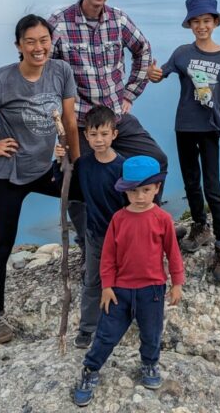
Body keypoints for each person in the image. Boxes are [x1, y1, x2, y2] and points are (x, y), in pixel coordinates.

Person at [0, 14, 81, 345]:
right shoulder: (3, 80)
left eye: (44, 40)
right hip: (7, 176)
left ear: (52, 41)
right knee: (3, 246)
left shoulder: (60, 71)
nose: (39, 47)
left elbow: (70, 121)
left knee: (91, 192)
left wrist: (76, 164)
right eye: (31, 41)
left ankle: (100, 256)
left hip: (44, 170)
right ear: (19, 46)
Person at [147, 0, 220, 283]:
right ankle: (200, 226)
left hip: (209, 127)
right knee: (191, 181)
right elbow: (161, 74)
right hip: (185, 126)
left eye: (206, 20)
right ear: (189, 24)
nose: (201, 26)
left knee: (212, 186)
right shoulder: (182, 53)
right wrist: (153, 73)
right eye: (196, 21)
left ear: (215, 22)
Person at [49, 0, 168, 204]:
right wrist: (57, 121)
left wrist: (129, 94)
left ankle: (147, 222)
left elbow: (143, 50)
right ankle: (88, 239)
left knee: (155, 160)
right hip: (80, 122)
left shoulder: (119, 20)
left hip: (115, 116)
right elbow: (43, 73)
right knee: (79, 178)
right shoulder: (59, 23)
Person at [73, 156, 184, 407]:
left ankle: (149, 364)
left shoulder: (163, 219)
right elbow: (109, 257)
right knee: (106, 334)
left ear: (157, 188)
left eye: (146, 190)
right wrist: (107, 286)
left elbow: (173, 253)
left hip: (152, 289)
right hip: (120, 290)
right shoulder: (119, 219)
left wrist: (177, 282)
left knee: (151, 332)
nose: (140, 196)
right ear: (125, 190)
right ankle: (90, 370)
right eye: (134, 190)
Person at [73, 105, 127, 350]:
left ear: (114, 134)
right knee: (92, 281)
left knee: (125, 280)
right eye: (93, 134)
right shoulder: (83, 164)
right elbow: (68, 187)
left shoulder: (123, 167)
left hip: (122, 237)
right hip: (95, 236)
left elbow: (132, 204)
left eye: (104, 134)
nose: (99, 139)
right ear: (86, 136)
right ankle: (87, 328)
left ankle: (123, 320)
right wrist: (59, 158)